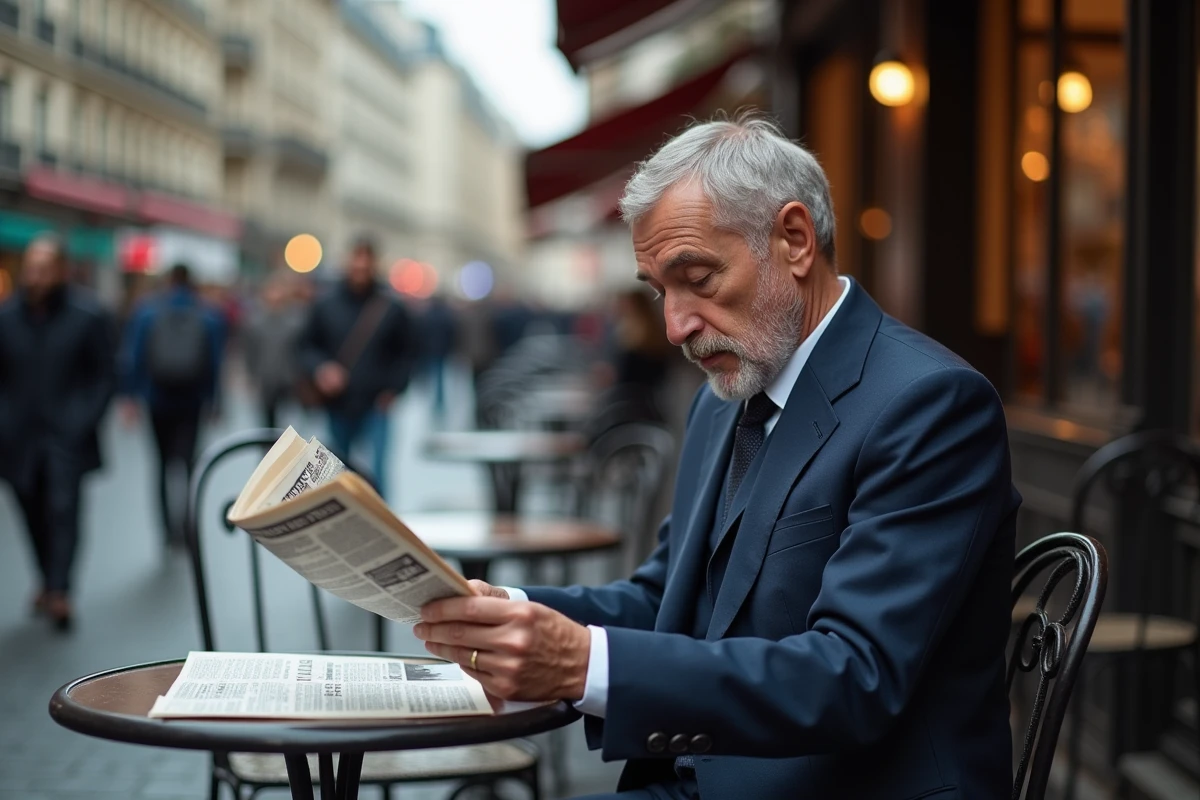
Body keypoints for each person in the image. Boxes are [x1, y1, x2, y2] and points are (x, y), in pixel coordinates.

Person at [414, 116, 1021, 800]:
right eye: (658, 290)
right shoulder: (726, 397)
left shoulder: (930, 404)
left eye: (697, 278)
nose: (675, 325)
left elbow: (855, 675)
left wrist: (585, 664)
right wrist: (513, 611)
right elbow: (666, 597)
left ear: (794, 240)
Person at [0, 235, 116, 630]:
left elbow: (103, 376)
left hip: (67, 436)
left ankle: (60, 590)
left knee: (64, 510)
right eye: (31, 267)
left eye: (44, 268)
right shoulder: (7, 316)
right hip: (17, 437)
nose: (35, 276)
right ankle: (45, 577)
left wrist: (82, 419)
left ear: (62, 271)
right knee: (31, 511)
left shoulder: (87, 316)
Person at [297, 236, 418, 496]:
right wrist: (321, 369)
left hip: (377, 402)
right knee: (337, 471)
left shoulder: (391, 308)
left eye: (366, 263)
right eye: (356, 262)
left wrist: (394, 389)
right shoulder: (325, 304)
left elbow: (407, 352)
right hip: (338, 402)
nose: (360, 269)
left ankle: (382, 525)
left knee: (378, 472)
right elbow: (306, 346)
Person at [120, 263, 225, 546]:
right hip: (192, 401)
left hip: (157, 399)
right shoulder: (208, 315)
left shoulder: (147, 312)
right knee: (189, 465)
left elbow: (133, 356)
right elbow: (215, 364)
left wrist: (129, 397)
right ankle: (188, 524)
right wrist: (216, 402)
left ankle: (167, 530)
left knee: (161, 465)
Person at [243, 271, 309, 429]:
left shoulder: (297, 320)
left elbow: (302, 349)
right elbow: (249, 351)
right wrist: (251, 375)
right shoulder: (254, 321)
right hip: (266, 379)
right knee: (267, 424)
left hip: (290, 380)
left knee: (290, 423)